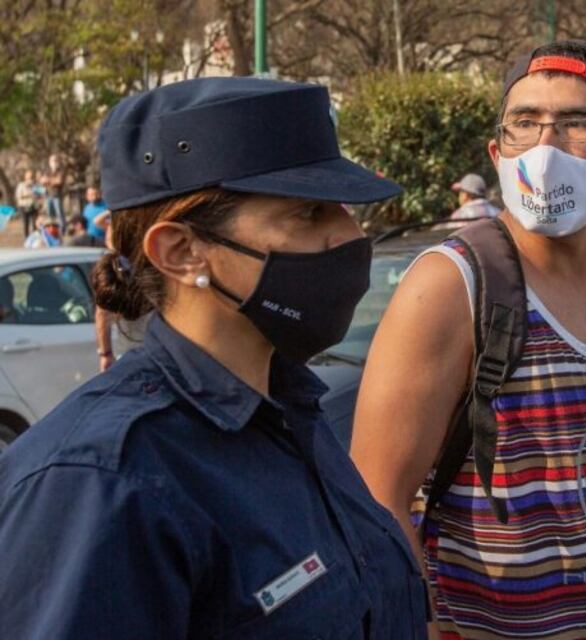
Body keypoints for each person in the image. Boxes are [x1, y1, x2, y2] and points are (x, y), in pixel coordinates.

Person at [0, 77, 427, 639]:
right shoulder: (100, 481)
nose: (350, 236)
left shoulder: (291, 409)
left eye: (343, 209)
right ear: (180, 252)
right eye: (309, 213)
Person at [352, 41, 586, 639]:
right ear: (496, 152)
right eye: (524, 123)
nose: (545, 147)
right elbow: (378, 505)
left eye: (578, 123)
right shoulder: (449, 287)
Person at [40, 153, 67, 230]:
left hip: (57, 195)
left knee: (59, 214)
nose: (53, 162)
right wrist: (51, 180)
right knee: (50, 214)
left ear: (58, 161)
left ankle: (62, 230)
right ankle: (52, 229)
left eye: (55, 160)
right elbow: (42, 180)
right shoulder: (47, 171)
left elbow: (59, 181)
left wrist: (48, 180)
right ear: (49, 162)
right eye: (52, 160)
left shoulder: (61, 170)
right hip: (48, 195)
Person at [15, 169, 42, 238]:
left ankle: (35, 239)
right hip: (24, 207)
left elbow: (40, 195)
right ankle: (26, 240)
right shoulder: (21, 185)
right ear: (25, 177)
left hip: (34, 206)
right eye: (29, 176)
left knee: (35, 224)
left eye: (31, 177)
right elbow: (18, 196)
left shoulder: (36, 185)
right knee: (25, 224)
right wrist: (28, 194)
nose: (30, 178)